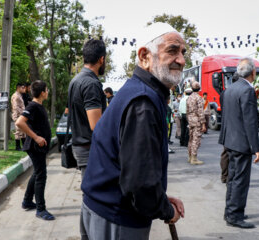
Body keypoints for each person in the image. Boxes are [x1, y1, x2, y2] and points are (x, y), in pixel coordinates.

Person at [80, 22, 185, 240]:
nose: (182, 60)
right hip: (117, 219)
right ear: (145, 56)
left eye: (183, 52)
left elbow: (137, 171)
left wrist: (161, 199)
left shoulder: (138, 92)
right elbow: (140, 185)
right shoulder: (143, 103)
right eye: (172, 51)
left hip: (104, 211)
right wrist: (167, 210)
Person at [219, 58, 259, 229]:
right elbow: (250, 121)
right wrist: (256, 148)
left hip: (230, 140)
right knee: (240, 180)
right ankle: (235, 215)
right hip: (241, 142)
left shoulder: (230, 88)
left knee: (232, 178)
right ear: (253, 73)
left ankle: (230, 211)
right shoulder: (247, 90)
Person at [68, 39, 107, 179]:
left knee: (91, 193)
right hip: (89, 149)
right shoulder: (91, 84)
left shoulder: (76, 80)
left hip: (81, 145)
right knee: (93, 196)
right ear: (101, 59)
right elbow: (96, 125)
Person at [16, 80, 54, 221]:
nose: (48, 92)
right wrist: (37, 137)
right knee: (41, 176)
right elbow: (19, 122)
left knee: (37, 173)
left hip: (39, 148)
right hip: (34, 147)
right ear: (43, 92)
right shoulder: (33, 106)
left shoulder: (38, 105)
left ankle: (27, 201)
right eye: (47, 90)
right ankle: (40, 209)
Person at [220, 72, 240, 183]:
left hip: (226, 124)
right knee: (235, 153)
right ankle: (231, 177)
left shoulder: (225, 92)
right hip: (235, 126)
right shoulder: (239, 92)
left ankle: (224, 176)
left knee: (225, 152)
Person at [186, 81, 206, 165]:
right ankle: (194, 158)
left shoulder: (189, 98)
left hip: (190, 120)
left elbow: (187, 110)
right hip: (197, 120)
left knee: (190, 139)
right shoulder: (199, 98)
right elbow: (200, 112)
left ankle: (190, 156)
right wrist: (203, 123)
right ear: (199, 88)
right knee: (196, 139)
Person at [11, 83, 26, 151]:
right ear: (18, 88)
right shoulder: (16, 96)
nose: (24, 89)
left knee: (23, 131)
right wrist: (22, 113)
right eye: (22, 88)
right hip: (18, 115)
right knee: (18, 131)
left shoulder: (19, 95)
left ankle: (24, 146)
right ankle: (18, 147)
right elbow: (15, 107)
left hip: (21, 115)